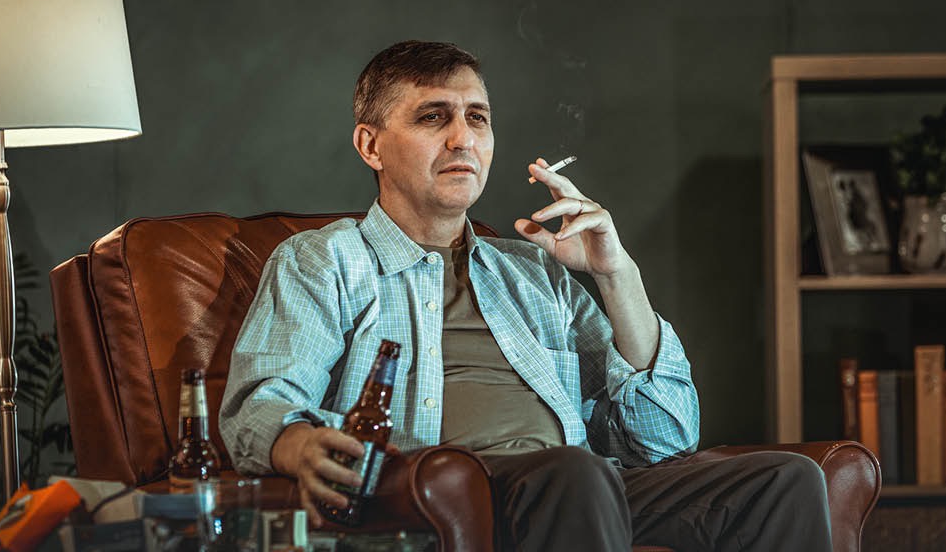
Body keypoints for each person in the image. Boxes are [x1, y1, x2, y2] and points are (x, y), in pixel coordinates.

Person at [220, 40, 832, 551]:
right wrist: (295, 444)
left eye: (477, 117)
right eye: (433, 117)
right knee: (575, 472)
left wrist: (616, 274)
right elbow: (261, 403)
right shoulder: (325, 260)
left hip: (580, 489)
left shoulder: (533, 274)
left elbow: (665, 438)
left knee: (788, 479)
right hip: (434, 498)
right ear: (371, 146)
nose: (463, 138)